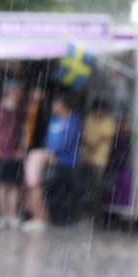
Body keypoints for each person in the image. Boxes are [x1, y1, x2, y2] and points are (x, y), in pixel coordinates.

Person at [0, 82, 27, 228]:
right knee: (1, 184)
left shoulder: (21, 111)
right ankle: (3, 214)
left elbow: (24, 131)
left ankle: (12, 214)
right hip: (1, 151)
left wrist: (21, 148)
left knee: (14, 185)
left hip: (15, 152)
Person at [43, 92, 82, 226]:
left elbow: (68, 139)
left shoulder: (73, 120)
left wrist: (55, 153)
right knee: (54, 189)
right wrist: (49, 152)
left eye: (56, 104)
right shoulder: (54, 120)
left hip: (68, 162)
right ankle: (55, 217)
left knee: (66, 191)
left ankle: (65, 218)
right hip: (54, 161)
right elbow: (48, 138)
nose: (53, 107)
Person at [21, 80, 55, 231]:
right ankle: (40, 216)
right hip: (35, 150)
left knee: (34, 184)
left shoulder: (42, 110)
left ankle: (38, 217)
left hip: (37, 151)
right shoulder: (35, 109)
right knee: (34, 185)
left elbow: (34, 133)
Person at [78, 99, 118, 216]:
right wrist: (87, 145)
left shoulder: (109, 122)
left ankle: (92, 213)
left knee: (96, 187)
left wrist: (90, 147)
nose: (99, 113)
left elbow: (100, 140)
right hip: (85, 158)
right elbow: (83, 133)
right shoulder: (88, 119)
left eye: (102, 111)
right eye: (97, 111)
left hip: (99, 160)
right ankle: (82, 211)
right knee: (83, 186)